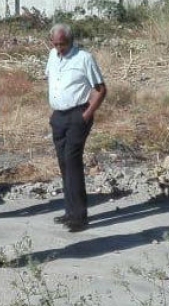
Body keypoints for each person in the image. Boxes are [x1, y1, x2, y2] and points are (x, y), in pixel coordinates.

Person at [44, 23, 107, 232]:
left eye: (62, 44)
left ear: (71, 41)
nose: (59, 48)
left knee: (72, 161)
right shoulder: (53, 56)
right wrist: (54, 110)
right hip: (59, 117)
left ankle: (79, 216)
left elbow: (100, 89)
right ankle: (70, 211)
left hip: (78, 114)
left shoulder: (84, 58)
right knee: (63, 163)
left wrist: (86, 114)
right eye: (55, 44)